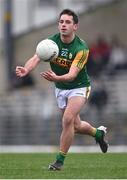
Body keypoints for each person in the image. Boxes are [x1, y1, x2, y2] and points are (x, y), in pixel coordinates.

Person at [15, 9, 108, 171]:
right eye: (61, 22)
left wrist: (56, 78)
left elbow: (72, 75)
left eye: (68, 22)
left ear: (75, 26)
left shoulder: (82, 48)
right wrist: (26, 70)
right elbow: (36, 57)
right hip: (60, 88)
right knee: (76, 126)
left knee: (67, 120)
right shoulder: (50, 42)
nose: (63, 25)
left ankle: (59, 161)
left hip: (79, 87)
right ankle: (98, 134)